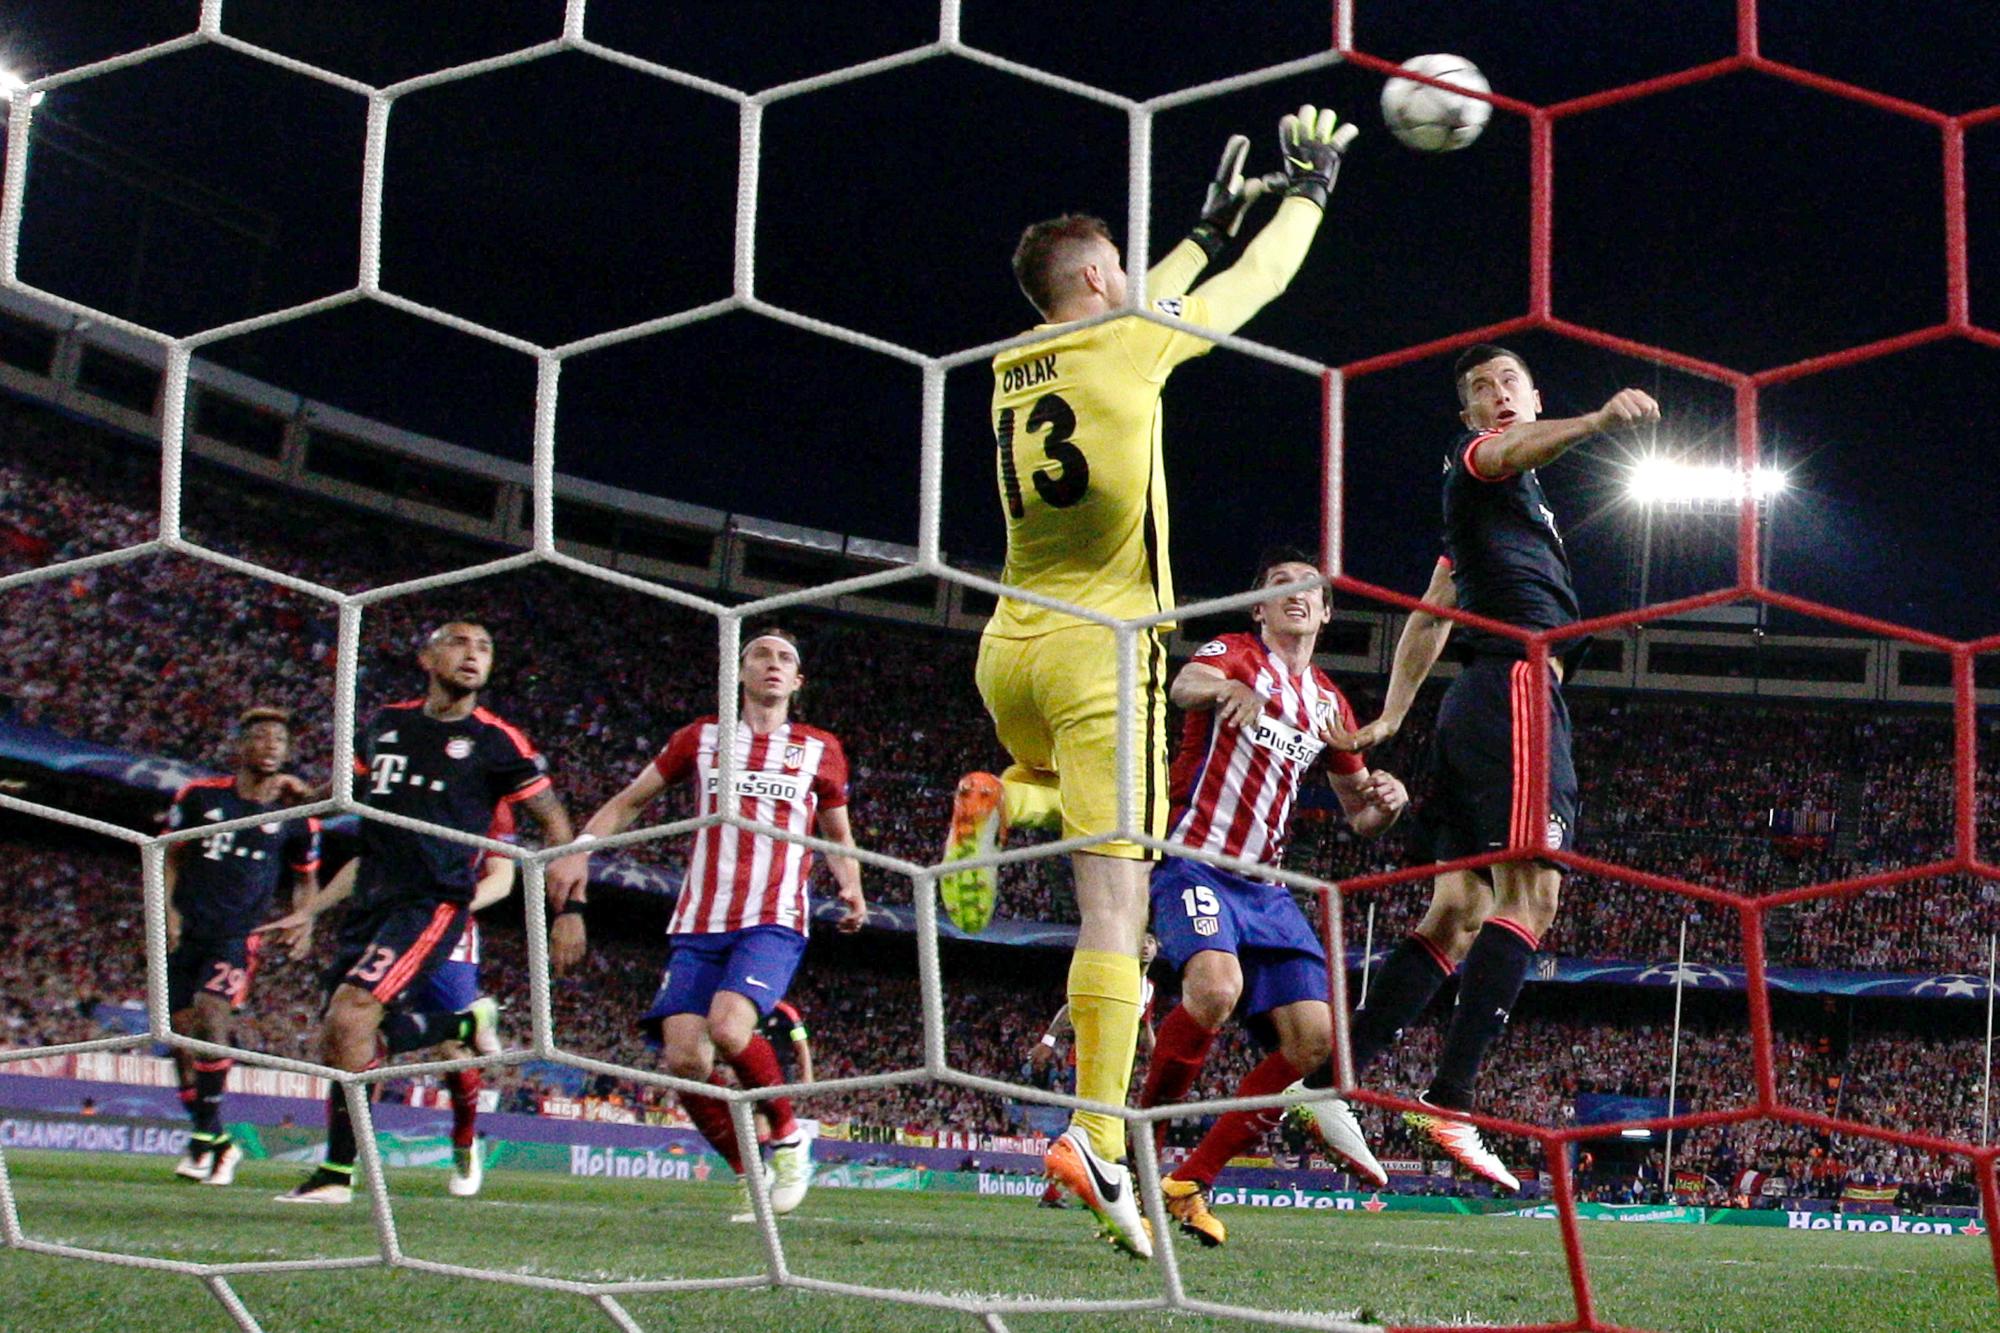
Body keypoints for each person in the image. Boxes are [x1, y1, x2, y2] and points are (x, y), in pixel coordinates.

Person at [943, 106, 1359, 1259]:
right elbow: (1256, 286)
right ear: (1091, 273)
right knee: (1113, 910)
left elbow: (1150, 289)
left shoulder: (1009, 362)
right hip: (1104, 648)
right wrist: (1304, 193)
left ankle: (1000, 798)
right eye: (1121, 268)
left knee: (1056, 800)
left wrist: (1190, 231)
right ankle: (1086, 1127)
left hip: (1009, 646)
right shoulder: (1128, 344)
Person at [1325, 345, 1658, 1191]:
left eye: (1511, 381)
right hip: (1513, 681)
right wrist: (1591, 424)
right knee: (1533, 892)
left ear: (1533, 391)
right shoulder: (1480, 462)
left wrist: (1396, 713)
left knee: (1461, 909)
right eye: (1481, 389)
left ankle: (1332, 1077)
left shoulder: (1496, 514)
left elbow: (1430, 617)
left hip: (1474, 698)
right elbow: (1511, 450)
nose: (1497, 395)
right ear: (1471, 416)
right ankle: (1452, 1097)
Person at [1133, 551, 1406, 1246]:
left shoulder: (1328, 703)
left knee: (1314, 1039)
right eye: (1278, 584)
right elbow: (1186, 681)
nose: (1295, 593)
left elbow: (1359, 814)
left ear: (1325, 611)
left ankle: (1190, 1178)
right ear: (1259, 608)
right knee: (1215, 990)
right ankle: (1137, 1156)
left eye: (1307, 587)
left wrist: (1387, 801)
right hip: (1197, 862)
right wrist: (1227, 691)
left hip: (1269, 887)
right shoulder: (1235, 652)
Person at [550, 627, 866, 1222]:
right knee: (685, 1062)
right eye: (761, 656)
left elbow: (837, 833)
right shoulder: (701, 738)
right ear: (741, 674)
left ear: (798, 682)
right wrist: (581, 847)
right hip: (700, 918)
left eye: (785, 659)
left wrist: (850, 883)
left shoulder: (820, 748)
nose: (773, 665)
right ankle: (752, 1171)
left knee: (728, 1028)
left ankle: (790, 1136)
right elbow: (630, 800)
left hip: (774, 916)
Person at [270, 621, 576, 1204]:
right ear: (427, 655)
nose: (473, 655)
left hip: (433, 901)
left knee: (354, 1013)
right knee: (342, 1038)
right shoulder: (386, 723)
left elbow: (554, 822)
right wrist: (303, 806)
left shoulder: (497, 742)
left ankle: (361, 1163)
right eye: (460, 643)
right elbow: (351, 806)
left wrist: (569, 899)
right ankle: (338, 1172)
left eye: (485, 647)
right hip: (372, 902)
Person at [164, 708, 321, 1186]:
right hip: (187, 929)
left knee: (213, 1016)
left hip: (237, 934)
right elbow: (167, 856)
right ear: (241, 746)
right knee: (180, 1038)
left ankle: (205, 1143)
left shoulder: (296, 816)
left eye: (279, 739)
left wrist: (304, 920)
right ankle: (214, 1141)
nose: (271, 745)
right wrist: (167, 916)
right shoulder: (199, 797)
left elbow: (306, 880)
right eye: (261, 737)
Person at [1027, 934, 1160, 1209]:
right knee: (1091, 1128)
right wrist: (1048, 1040)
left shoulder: (1147, 988)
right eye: (1142, 940)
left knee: (1097, 1130)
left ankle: (1076, 1191)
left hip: (1119, 1068)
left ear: (1158, 949)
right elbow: (1072, 1007)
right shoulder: (1115, 975)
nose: (1146, 946)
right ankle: (1080, 1191)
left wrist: (1160, 1061)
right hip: (1091, 1061)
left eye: (1151, 941)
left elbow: (1144, 1026)